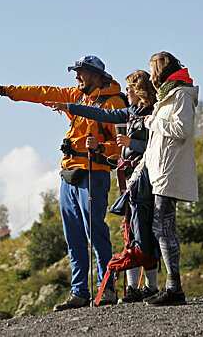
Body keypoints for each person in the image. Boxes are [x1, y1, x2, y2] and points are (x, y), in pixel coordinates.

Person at [0, 55, 126, 310]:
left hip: (94, 174)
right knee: (73, 237)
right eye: (76, 73)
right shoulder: (76, 95)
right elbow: (40, 93)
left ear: (95, 75)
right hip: (68, 175)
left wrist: (101, 147)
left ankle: (107, 290)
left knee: (96, 234)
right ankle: (80, 292)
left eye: (80, 72)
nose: (76, 77)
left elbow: (123, 147)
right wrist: (3, 90)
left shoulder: (113, 103)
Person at [51, 70, 160, 303]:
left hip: (143, 179)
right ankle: (117, 288)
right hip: (128, 179)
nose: (126, 93)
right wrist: (69, 106)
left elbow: (158, 145)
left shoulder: (152, 114)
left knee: (143, 233)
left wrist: (109, 147)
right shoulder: (129, 111)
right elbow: (97, 113)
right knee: (129, 233)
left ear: (139, 91)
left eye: (130, 89)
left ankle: (132, 286)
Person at [133, 51, 199, 306]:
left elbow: (182, 129)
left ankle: (174, 288)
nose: (150, 77)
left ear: (161, 70)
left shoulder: (180, 94)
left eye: (153, 71)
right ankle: (172, 286)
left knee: (163, 226)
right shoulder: (168, 95)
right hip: (160, 171)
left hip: (169, 171)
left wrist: (152, 123)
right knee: (161, 226)